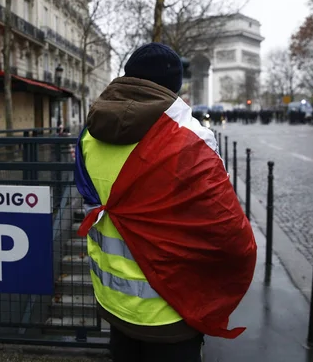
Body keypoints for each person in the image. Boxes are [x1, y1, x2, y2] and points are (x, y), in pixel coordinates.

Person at [74, 43, 257, 362]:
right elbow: (229, 235)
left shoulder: (89, 134)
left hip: (112, 298)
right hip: (172, 306)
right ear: (175, 86)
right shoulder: (192, 140)